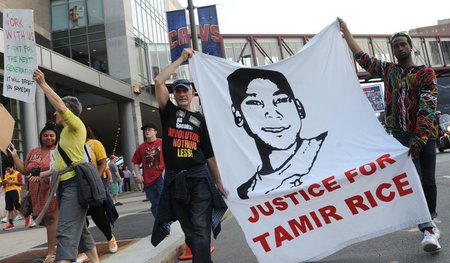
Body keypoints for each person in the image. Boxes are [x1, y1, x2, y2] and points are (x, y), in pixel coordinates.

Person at [338, 18, 440, 252]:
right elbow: (363, 58)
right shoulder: (388, 71)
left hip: (425, 136)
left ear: (410, 46)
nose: (400, 48)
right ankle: (428, 230)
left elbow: (428, 106)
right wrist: (346, 32)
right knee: (414, 182)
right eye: (395, 46)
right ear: (393, 50)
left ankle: (430, 221)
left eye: (403, 44)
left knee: (429, 182)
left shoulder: (426, 73)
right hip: (401, 138)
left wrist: (419, 138)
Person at [151, 48, 227, 262]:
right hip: (176, 181)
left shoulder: (202, 121)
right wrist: (182, 59)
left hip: (199, 179)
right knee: (191, 233)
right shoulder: (169, 113)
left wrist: (218, 181)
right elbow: (158, 81)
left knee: (201, 230)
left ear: (193, 93)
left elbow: (209, 154)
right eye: (178, 91)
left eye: (186, 91)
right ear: (174, 95)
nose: (182, 94)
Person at [227, 68, 328, 199]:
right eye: (255, 103)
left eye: (280, 101)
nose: (272, 114)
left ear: (299, 107)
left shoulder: (326, 149)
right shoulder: (247, 192)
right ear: (238, 115)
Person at [32, 69, 100, 263]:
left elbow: (61, 107)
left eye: (56, 109)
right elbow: (61, 167)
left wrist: (43, 84)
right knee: (81, 230)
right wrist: (41, 175)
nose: (54, 112)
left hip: (73, 186)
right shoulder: (65, 134)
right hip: (65, 185)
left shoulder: (76, 125)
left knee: (65, 231)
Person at [10, 123, 59, 262]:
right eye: (45, 135)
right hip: (35, 191)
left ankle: (51, 253)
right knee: (45, 220)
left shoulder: (58, 151)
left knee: (51, 219)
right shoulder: (33, 152)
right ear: (41, 137)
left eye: (51, 136)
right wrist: (15, 156)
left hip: (52, 189)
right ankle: (58, 248)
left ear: (56, 137)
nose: (48, 138)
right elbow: (25, 170)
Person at [76, 126, 119, 262]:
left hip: (93, 186)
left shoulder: (95, 143)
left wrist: (96, 178)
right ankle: (82, 249)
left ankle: (109, 237)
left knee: (98, 216)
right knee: (79, 220)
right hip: (76, 187)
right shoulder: (70, 144)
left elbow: (102, 162)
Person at [132, 122, 165, 218]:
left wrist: (165, 170)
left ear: (155, 132)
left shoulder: (162, 143)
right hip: (148, 180)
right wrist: (138, 175)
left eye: (149, 129)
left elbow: (169, 157)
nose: (147, 132)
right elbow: (136, 163)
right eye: (145, 130)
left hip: (160, 177)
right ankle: (161, 224)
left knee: (162, 201)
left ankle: (165, 224)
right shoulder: (141, 147)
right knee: (154, 203)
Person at [2, 163, 23, 231]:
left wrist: (12, 182)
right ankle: (11, 223)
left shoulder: (17, 173)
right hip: (8, 191)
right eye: (6, 169)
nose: (8, 170)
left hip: (15, 190)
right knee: (9, 208)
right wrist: (3, 183)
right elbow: (5, 185)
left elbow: (21, 183)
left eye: (9, 169)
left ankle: (26, 215)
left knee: (17, 206)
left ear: (12, 167)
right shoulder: (6, 175)